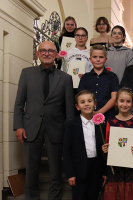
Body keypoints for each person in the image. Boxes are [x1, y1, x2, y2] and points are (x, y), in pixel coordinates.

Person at [13, 41, 75, 200]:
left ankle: (54, 198)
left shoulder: (66, 78)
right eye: (43, 51)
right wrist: (18, 126)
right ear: (37, 54)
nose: (47, 53)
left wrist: (69, 133)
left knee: (55, 169)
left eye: (51, 51)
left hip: (56, 129)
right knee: (31, 169)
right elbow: (19, 102)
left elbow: (69, 110)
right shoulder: (26, 73)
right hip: (30, 127)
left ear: (56, 55)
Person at [102, 87, 133, 200]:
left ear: (132, 103)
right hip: (116, 170)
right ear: (116, 103)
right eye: (122, 101)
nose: (125, 104)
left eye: (128, 101)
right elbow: (107, 143)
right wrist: (105, 149)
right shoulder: (110, 122)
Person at [63, 90, 107, 200]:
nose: (87, 104)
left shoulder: (101, 125)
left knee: (94, 195)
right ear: (77, 107)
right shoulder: (71, 125)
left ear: (95, 104)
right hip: (79, 169)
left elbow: (103, 151)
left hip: (96, 168)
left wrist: (104, 172)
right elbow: (66, 152)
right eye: (82, 102)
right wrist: (70, 173)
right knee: (79, 196)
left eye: (89, 101)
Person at [78, 44, 119, 120]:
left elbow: (114, 98)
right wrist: (91, 112)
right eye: (95, 57)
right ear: (90, 59)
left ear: (105, 59)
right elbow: (81, 98)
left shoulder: (112, 76)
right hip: (88, 115)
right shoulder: (85, 77)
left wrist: (99, 112)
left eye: (101, 57)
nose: (98, 60)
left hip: (108, 115)